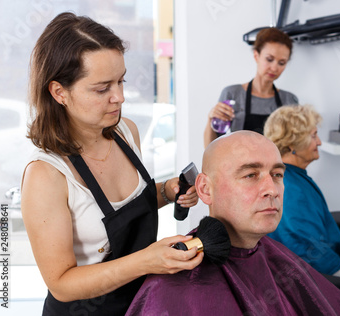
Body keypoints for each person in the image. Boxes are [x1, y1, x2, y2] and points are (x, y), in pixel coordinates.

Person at [21, 12, 203, 315]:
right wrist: (147, 261)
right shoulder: (46, 174)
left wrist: (168, 191)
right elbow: (61, 284)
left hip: (140, 301)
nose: (119, 97)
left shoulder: (126, 132)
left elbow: (125, 206)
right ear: (59, 92)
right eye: (102, 88)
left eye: (121, 81)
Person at [126, 131, 340, 315]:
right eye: (250, 175)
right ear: (204, 188)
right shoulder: (168, 288)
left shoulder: (277, 258)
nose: (271, 190)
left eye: (277, 175)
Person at [264, 105, 340, 277]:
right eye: (313, 136)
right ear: (293, 144)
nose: (319, 142)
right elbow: (305, 249)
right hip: (318, 278)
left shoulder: (292, 177)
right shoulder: (291, 187)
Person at [203, 27, 299, 147]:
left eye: (281, 63)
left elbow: (295, 148)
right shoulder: (232, 94)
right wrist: (210, 119)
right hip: (239, 164)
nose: (274, 68)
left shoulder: (289, 100)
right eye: (269, 59)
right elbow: (211, 147)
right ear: (256, 56)